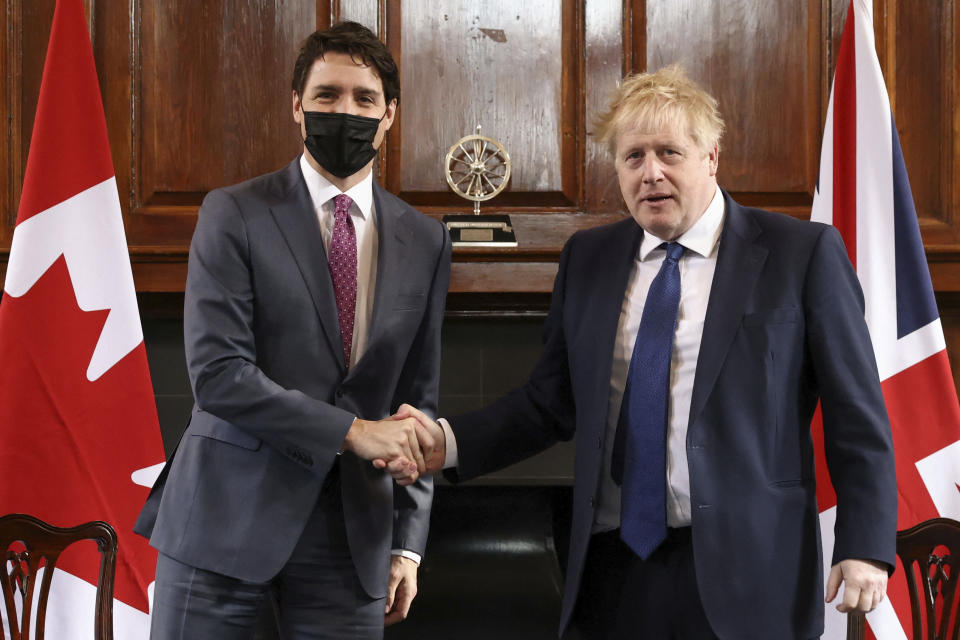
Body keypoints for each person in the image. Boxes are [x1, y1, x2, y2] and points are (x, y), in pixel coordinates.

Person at [399, 66, 896, 639]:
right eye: (633, 157)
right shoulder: (589, 259)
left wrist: (865, 546)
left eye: (669, 153)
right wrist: (450, 443)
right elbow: (549, 403)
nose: (651, 173)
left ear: (711, 156)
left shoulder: (799, 254)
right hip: (615, 570)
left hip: (752, 572)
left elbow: (856, 415)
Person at [135, 21, 451, 639]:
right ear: (297, 107)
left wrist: (408, 542)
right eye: (327, 95)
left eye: (364, 99)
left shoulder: (426, 239)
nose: (346, 112)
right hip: (223, 530)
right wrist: (353, 431)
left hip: (352, 544)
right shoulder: (234, 213)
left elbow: (420, 403)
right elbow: (219, 377)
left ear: (389, 116)